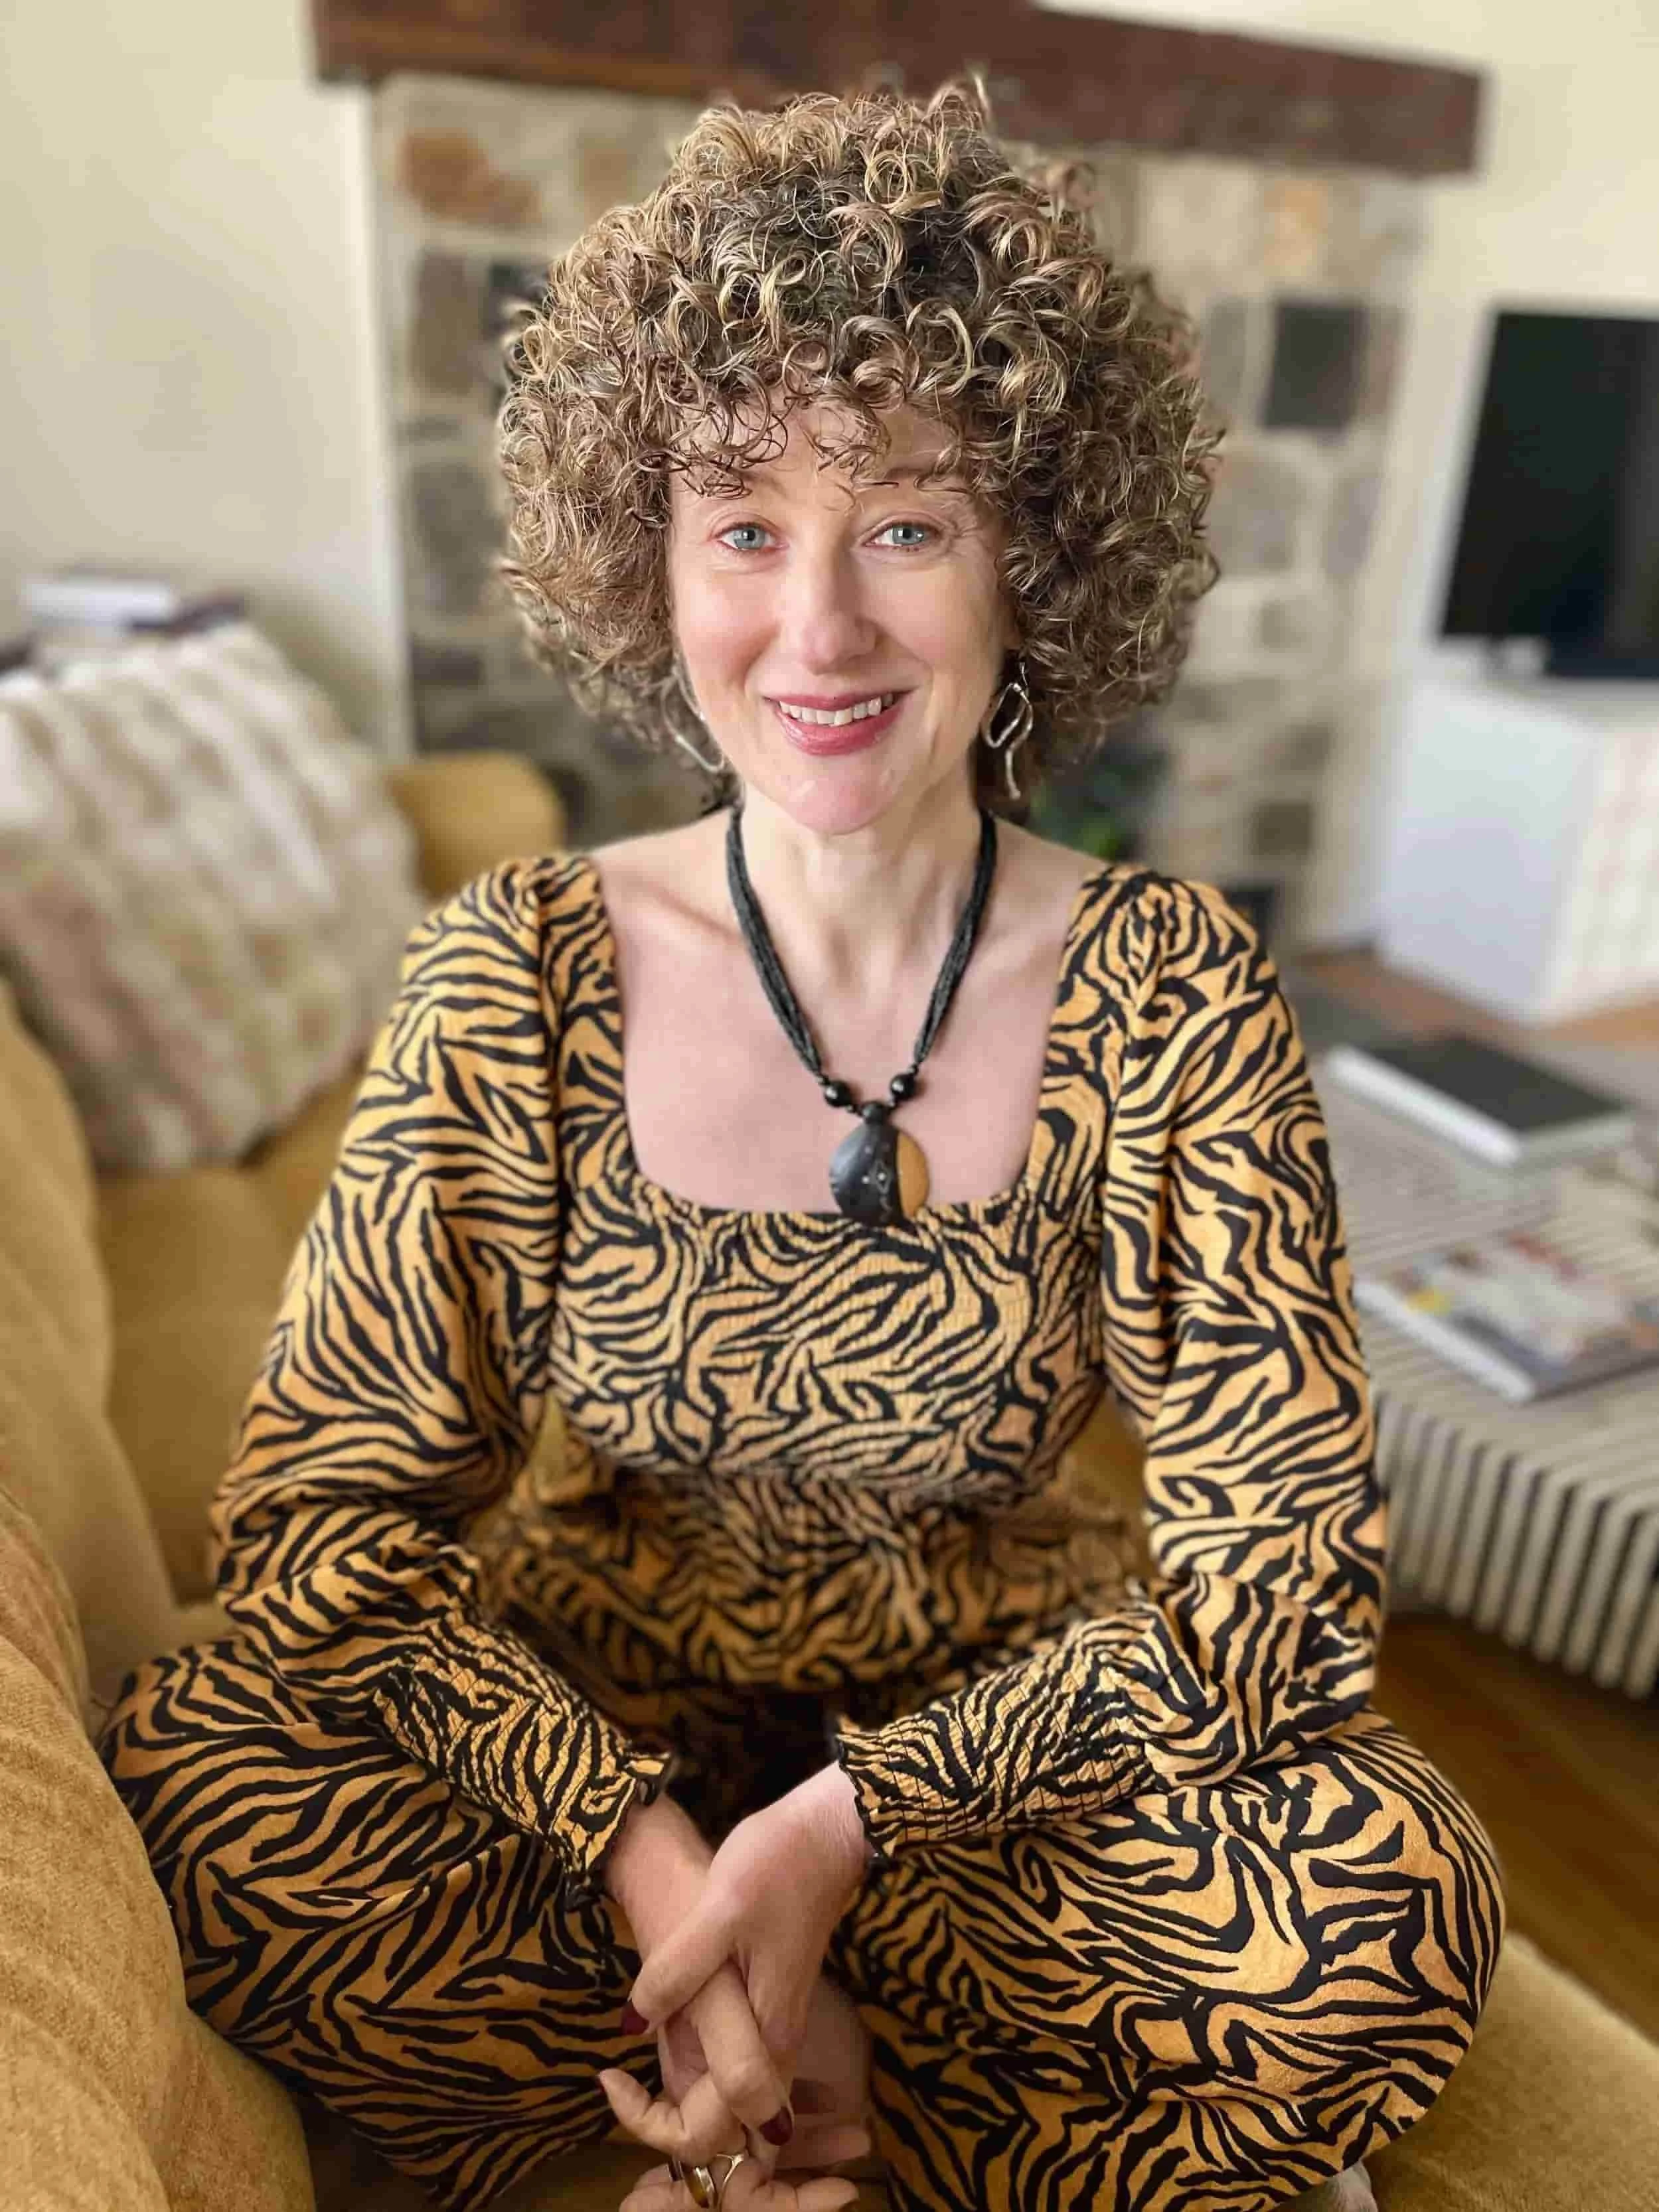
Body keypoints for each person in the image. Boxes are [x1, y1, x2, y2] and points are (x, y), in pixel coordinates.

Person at [99, 80, 1505, 2212]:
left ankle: (741, 2102)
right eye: (745, 525)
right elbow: (325, 1538)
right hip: (587, 1733)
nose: (822, 629)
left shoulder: (1174, 981)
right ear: (649, 569)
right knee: (202, 1775)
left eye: (908, 525)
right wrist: (660, 1854)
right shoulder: (524, 966)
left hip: (980, 1768)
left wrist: (837, 1844)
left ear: (1033, 557)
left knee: (1389, 1887)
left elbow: (1275, 1599)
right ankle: (794, 2078)